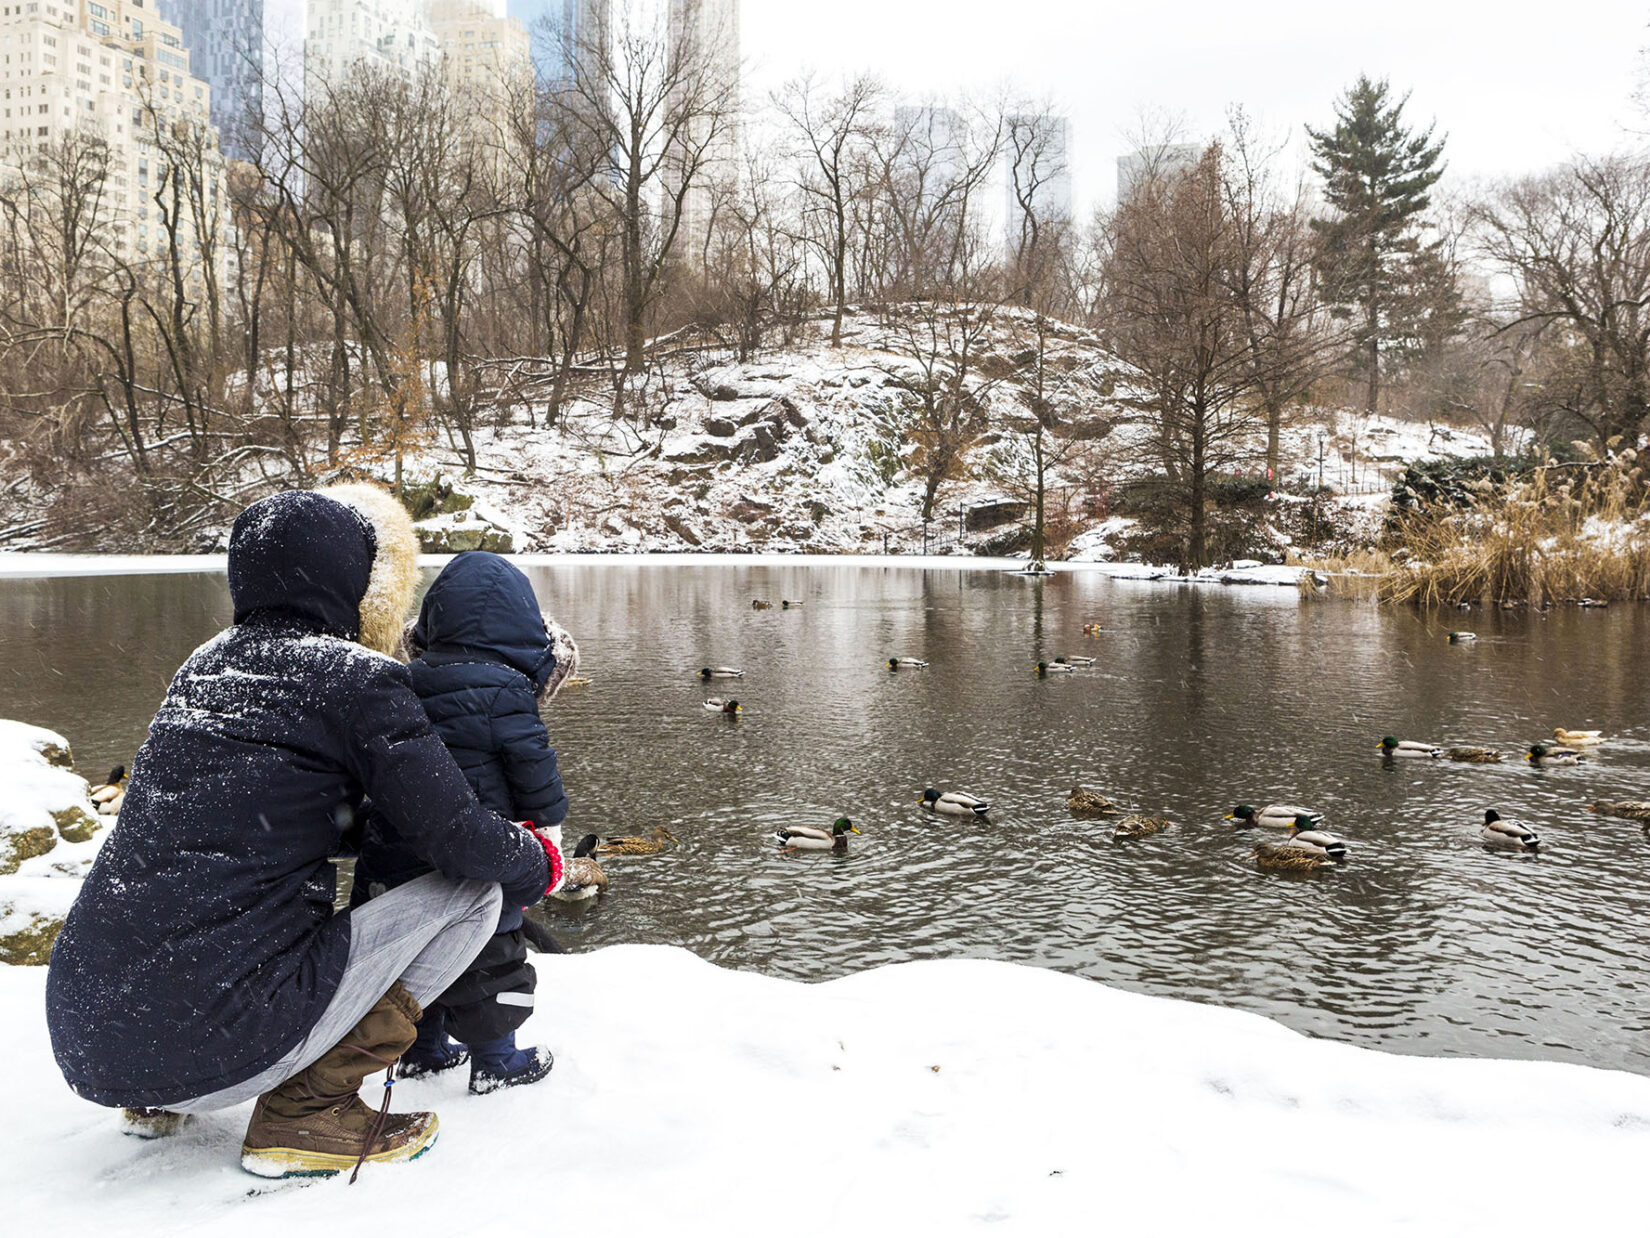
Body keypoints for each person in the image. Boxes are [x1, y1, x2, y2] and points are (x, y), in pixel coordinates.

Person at [44, 485, 565, 1179]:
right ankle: (308, 1111)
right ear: (350, 578)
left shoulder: (202, 667)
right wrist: (539, 862)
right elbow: (458, 837)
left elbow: (265, 814)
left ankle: (153, 1097)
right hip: (219, 1049)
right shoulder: (355, 678)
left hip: (89, 1039)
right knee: (475, 890)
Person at [354, 550, 577, 1093]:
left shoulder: (404, 680)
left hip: (401, 846)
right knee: (491, 960)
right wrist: (546, 825)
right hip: (482, 848)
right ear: (522, 624)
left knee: (417, 958)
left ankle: (423, 1052)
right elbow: (534, 769)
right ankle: (497, 1062)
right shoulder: (508, 691)